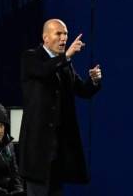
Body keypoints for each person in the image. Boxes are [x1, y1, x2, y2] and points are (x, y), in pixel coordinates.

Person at [19, 19, 102, 196]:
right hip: (37, 148)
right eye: (59, 33)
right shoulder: (31, 57)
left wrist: (94, 81)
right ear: (45, 38)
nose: (64, 38)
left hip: (58, 149)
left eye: (65, 34)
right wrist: (67, 56)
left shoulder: (65, 64)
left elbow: (82, 90)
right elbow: (43, 71)